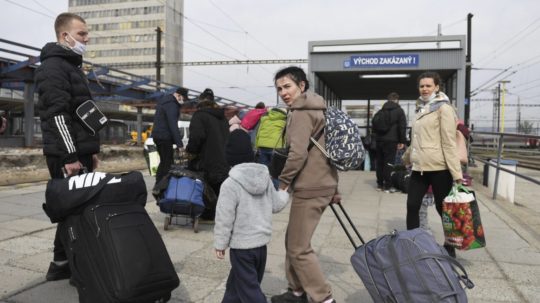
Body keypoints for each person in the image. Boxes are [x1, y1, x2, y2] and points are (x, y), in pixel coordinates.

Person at [34, 12, 100, 281]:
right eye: (82, 33)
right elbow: (57, 115)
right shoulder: (53, 68)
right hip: (66, 154)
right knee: (76, 212)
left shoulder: (71, 67)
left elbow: (79, 113)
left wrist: (90, 150)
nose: (87, 38)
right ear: (65, 35)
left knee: (72, 209)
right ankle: (78, 268)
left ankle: (61, 262)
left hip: (77, 150)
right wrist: (71, 155)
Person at [271, 66, 339, 303]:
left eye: (287, 86)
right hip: (321, 182)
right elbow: (326, 152)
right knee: (293, 240)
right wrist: (335, 188)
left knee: (298, 247)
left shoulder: (301, 112)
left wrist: (283, 182)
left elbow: (298, 154)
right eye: (279, 88)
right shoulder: (319, 108)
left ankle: (323, 298)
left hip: (310, 186)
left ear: (302, 86)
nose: (283, 92)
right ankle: (296, 291)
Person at [215, 129, 289, 303]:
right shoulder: (264, 177)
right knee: (239, 283)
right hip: (261, 247)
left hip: (241, 247)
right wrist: (284, 193)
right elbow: (276, 205)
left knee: (250, 291)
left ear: (229, 157)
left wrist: (220, 243)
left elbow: (224, 217)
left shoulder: (230, 184)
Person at [402, 71, 463, 258]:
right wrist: (405, 159)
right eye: (422, 86)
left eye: (429, 85)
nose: (425, 89)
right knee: (412, 205)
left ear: (437, 87)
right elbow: (416, 140)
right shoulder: (421, 107)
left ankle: (450, 245)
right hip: (419, 167)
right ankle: (412, 244)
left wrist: (457, 174)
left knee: (442, 208)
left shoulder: (444, 109)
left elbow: (448, 142)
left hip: (439, 168)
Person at [186, 100, 229, 220]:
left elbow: (196, 137)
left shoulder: (199, 116)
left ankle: (207, 214)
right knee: (219, 188)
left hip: (206, 160)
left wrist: (191, 151)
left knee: (205, 187)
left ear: (200, 106)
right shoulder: (223, 118)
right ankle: (219, 215)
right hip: (223, 160)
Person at [151, 87, 188, 185]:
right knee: (167, 163)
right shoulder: (172, 105)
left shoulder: (165, 101)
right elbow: (173, 125)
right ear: (178, 95)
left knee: (164, 162)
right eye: (183, 98)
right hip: (164, 137)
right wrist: (180, 145)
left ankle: (159, 184)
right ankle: (161, 186)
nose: (183, 101)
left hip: (159, 136)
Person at [373, 92, 407, 193]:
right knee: (389, 163)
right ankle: (388, 185)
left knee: (380, 162)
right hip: (391, 141)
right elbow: (402, 127)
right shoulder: (399, 111)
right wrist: (402, 141)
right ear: (397, 100)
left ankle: (379, 184)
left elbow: (374, 126)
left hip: (379, 140)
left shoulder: (380, 111)